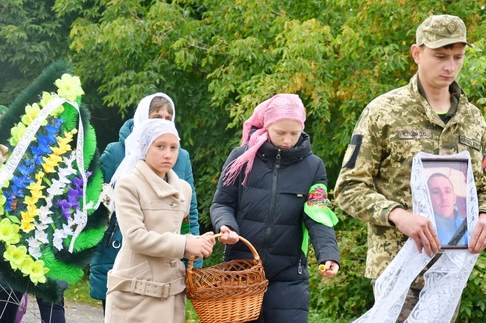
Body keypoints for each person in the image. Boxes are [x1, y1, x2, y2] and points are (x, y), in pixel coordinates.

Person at [334, 14, 486, 321]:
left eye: (457, 57)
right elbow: (348, 188)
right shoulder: (383, 111)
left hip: (449, 275)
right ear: (416, 53)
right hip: (398, 270)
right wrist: (398, 216)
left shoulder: (474, 119)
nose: (450, 66)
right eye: (440, 56)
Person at [210, 94, 340, 323]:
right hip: (240, 269)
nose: (287, 140)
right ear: (267, 126)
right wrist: (226, 225)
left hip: (289, 275)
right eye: (280, 132)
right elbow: (222, 203)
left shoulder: (314, 166)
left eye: (294, 133)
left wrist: (328, 254)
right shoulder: (240, 158)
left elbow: (318, 215)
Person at [89, 93, 202, 311]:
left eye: (168, 118)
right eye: (156, 116)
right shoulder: (116, 153)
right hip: (119, 250)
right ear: (143, 116)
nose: (162, 122)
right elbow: (95, 203)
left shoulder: (181, 157)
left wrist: (194, 261)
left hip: (167, 261)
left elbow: (189, 213)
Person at [104, 118, 215, 323]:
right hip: (134, 295)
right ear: (144, 147)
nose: (168, 154)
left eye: (174, 147)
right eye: (160, 146)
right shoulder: (128, 184)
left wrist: (201, 241)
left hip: (171, 296)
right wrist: (185, 244)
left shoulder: (184, 189)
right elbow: (135, 237)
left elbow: (180, 232)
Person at [0, 105, 67, 323]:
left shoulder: (37, 156)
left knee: (52, 304)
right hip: (9, 250)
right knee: (7, 304)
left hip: (41, 242)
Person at [427, 172, 468, 246]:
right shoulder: (425, 230)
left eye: (447, 191)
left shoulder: (469, 226)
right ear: (428, 199)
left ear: (454, 198)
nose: (444, 197)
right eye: (436, 192)